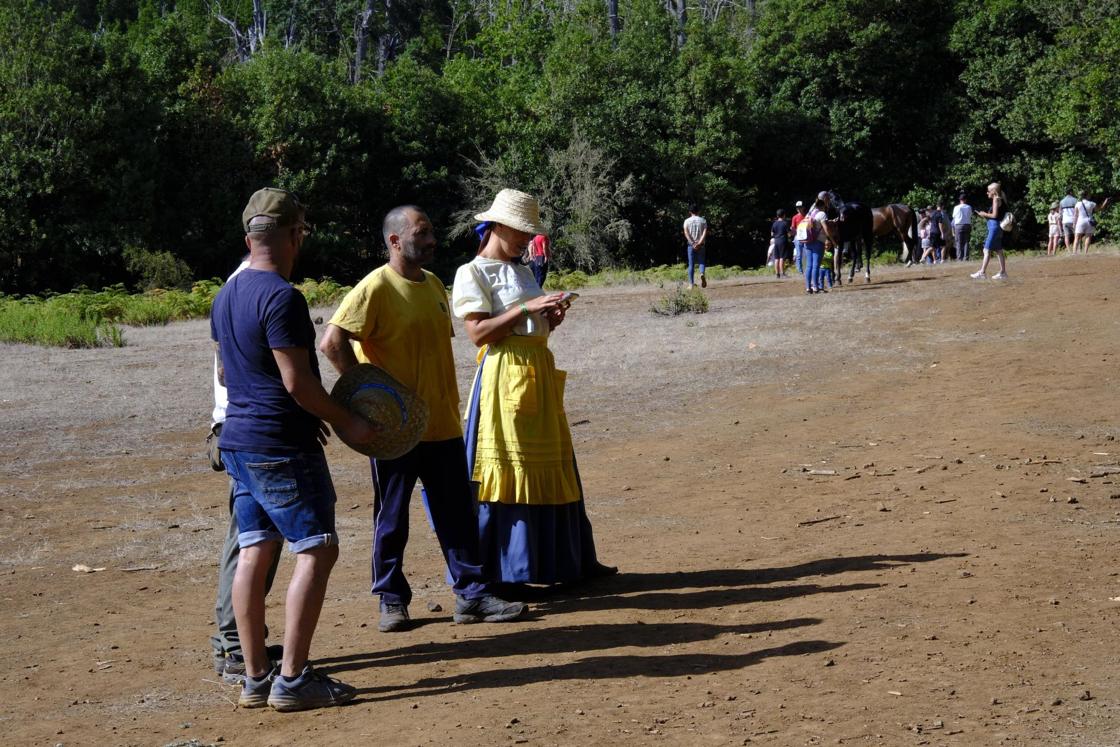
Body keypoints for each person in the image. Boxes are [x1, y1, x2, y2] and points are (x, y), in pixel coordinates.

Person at [319, 205, 527, 633]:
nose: (432, 240)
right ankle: (391, 600)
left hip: (441, 424)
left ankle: (472, 595)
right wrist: (368, 398)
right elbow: (333, 342)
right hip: (396, 432)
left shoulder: (433, 284)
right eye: (422, 232)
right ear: (395, 241)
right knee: (392, 517)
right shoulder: (375, 286)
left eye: (431, 231)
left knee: (457, 514)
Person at [212, 187, 374, 711]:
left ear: (248, 236)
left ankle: (255, 677)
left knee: (255, 550)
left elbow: (223, 370)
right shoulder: (282, 297)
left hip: (238, 440)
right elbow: (297, 383)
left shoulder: (226, 293)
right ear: (293, 234)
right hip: (279, 444)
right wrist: (348, 420)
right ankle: (294, 677)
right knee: (318, 547)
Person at [452, 188, 616, 588]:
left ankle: (565, 561)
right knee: (510, 468)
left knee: (553, 463)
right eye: (522, 231)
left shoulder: (524, 271)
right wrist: (527, 309)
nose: (528, 240)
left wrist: (550, 318)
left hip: (537, 371)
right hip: (504, 378)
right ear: (499, 226)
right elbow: (478, 334)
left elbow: (525, 325)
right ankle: (509, 570)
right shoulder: (471, 273)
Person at [209, 257, 283, 685]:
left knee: (253, 542)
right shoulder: (253, 289)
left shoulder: (235, 289)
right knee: (250, 544)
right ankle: (235, 647)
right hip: (247, 431)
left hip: (236, 428)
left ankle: (237, 644)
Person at [970, 181, 1009, 280]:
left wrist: (984, 214)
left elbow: (994, 215)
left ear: (993, 191)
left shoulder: (995, 199)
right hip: (998, 227)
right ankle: (1003, 272)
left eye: (988, 191)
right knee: (999, 250)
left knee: (986, 250)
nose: (987, 193)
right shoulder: (1001, 198)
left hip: (994, 227)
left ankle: (982, 272)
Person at [797, 198, 827, 294]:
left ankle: (808, 287)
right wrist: (831, 239)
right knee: (816, 266)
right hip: (818, 242)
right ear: (822, 206)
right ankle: (816, 287)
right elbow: (826, 227)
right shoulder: (822, 214)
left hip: (807, 241)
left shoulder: (809, 214)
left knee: (809, 266)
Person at [683, 204, 708, 288]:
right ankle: (701, 273)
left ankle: (691, 284)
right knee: (701, 262)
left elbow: (686, 233)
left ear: (690, 212)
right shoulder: (703, 220)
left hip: (691, 245)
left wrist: (693, 243)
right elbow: (704, 232)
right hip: (701, 245)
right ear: (698, 211)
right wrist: (699, 242)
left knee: (691, 264)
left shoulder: (686, 221)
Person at [952, 193, 973, 262]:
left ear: (960, 200)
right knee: (966, 241)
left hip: (959, 225)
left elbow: (954, 217)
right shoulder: (969, 207)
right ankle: (966, 257)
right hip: (967, 224)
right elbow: (970, 215)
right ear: (965, 200)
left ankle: (959, 258)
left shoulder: (956, 207)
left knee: (958, 242)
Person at [771, 209, 791, 278]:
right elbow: (789, 234)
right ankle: (782, 273)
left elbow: (772, 233)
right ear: (784, 215)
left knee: (776, 258)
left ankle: (777, 274)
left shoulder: (774, 223)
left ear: (777, 215)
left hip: (776, 241)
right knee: (782, 257)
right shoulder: (785, 223)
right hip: (783, 241)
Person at [790, 201, 807, 274]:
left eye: (800, 207)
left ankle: (807, 269)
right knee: (799, 254)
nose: (799, 209)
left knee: (807, 253)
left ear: (803, 207)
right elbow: (793, 228)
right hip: (798, 237)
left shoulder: (807, 216)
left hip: (806, 237)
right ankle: (800, 270)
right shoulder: (795, 217)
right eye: (797, 207)